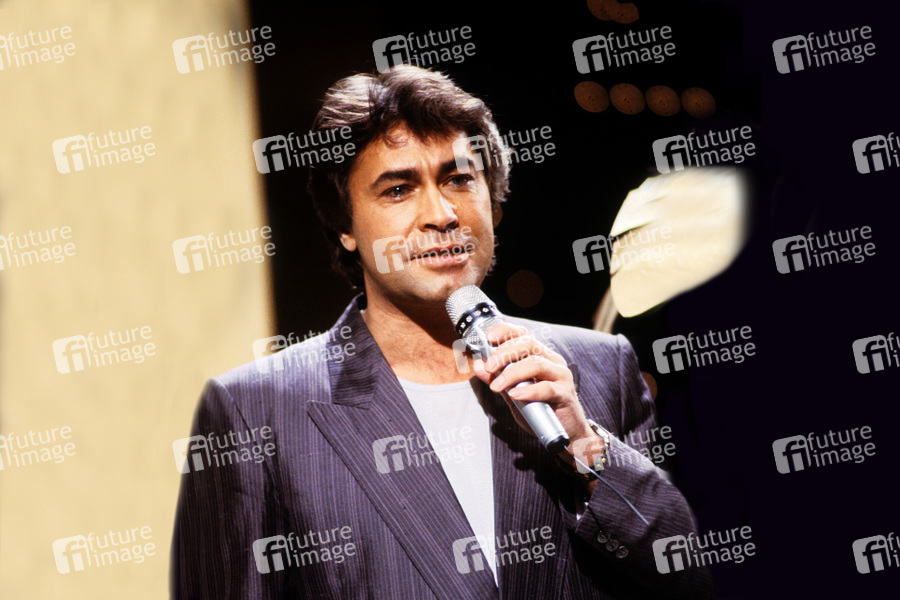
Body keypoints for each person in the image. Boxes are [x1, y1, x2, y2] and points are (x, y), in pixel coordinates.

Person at [171, 64, 712, 599]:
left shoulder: (599, 366)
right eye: (398, 189)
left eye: (459, 180)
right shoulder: (255, 409)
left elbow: (690, 576)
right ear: (345, 226)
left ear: (493, 202)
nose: (441, 213)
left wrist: (587, 450)